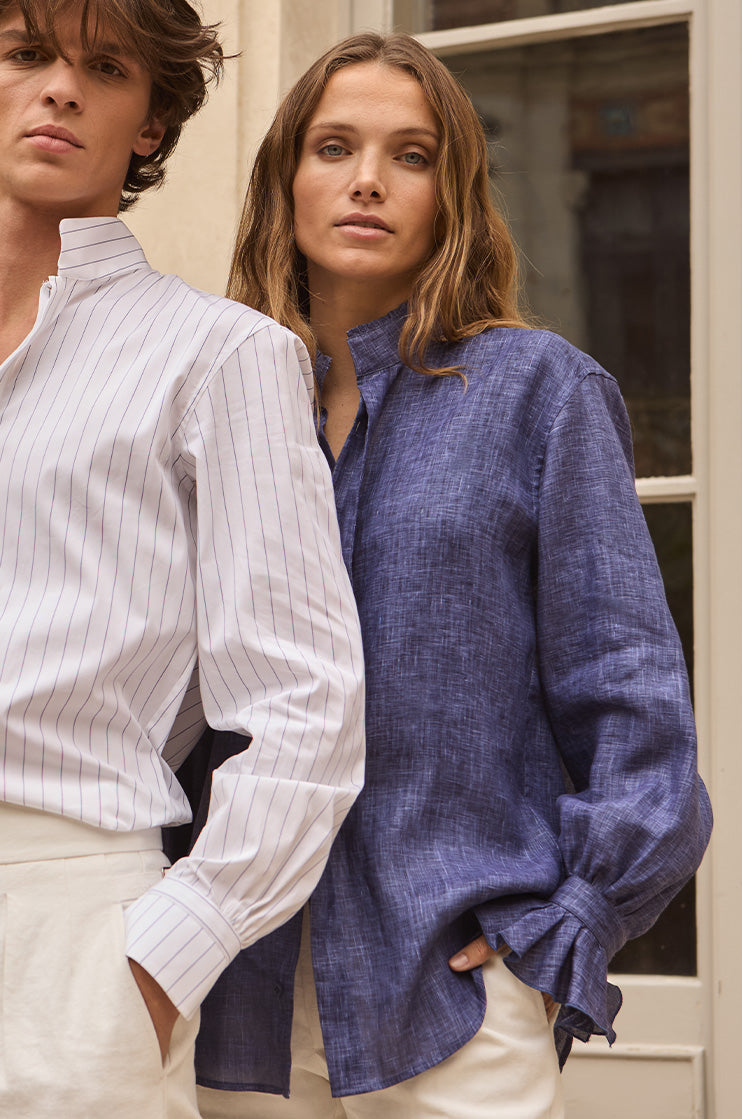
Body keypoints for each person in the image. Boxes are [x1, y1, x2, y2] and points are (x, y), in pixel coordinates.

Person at [192, 30, 712, 1119]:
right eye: (334, 147)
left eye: (411, 155)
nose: (369, 180)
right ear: (285, 177)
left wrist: (568, 923)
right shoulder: (217, 404)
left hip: (454, 993)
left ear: (454, 192)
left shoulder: (539, 393)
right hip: (230, 998)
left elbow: (629, 697)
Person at [0, 2, 366, 1116]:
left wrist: (159, 962)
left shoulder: (221, 358)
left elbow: (308, 703)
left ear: (150, 124)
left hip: (61, 917)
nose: (60, 88)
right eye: (25, 54)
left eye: (102, 68)